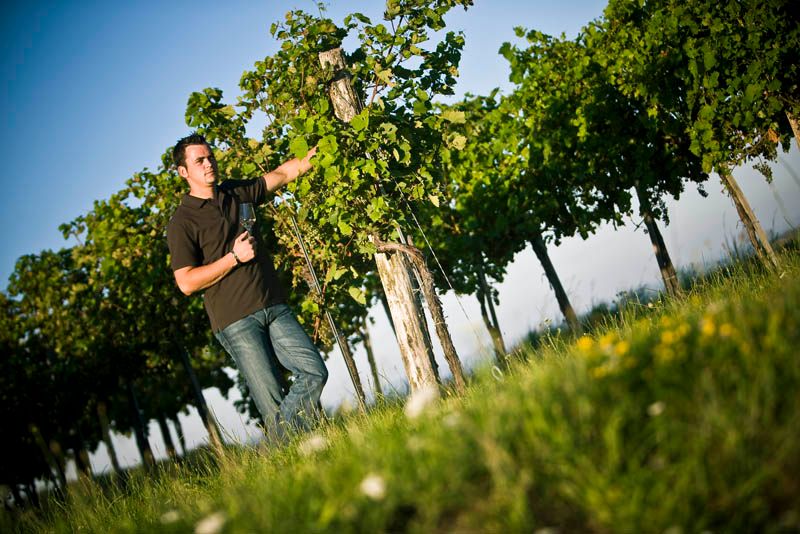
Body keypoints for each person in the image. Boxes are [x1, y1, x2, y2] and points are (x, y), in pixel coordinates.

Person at [166, 133, 327, 440]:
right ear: (184, 172)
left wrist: (327, 145)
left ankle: (275, 444)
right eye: (199, 160)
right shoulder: (182, 222)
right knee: (272, 404)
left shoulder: (236, 192)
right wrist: (233, 258)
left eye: (210, 156)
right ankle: (293, 460)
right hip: (235, 321)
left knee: (314, 371)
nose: (208, 163)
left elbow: (282, 173)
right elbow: (186, 282)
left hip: (274, 306)